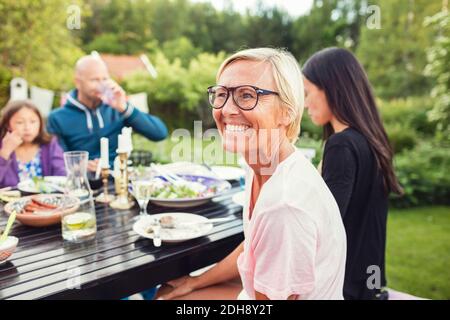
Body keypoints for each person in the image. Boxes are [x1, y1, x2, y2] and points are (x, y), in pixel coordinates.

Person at [156, 48, 347, 300]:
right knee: (170, 291)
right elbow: (254, 247)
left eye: (247, 95)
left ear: (287, 111)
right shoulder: (260, 164)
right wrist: (194, 282)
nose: (227, 109)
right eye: (222, 94)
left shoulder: (284, 203)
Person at [302, 47, 404, 300]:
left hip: (342, 289)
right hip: (369, 284)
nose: (304, 104)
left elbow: (321, 229)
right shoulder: (371, 140)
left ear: (331, 88)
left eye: (307, 93)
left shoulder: (342, 145)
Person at [47, 55, 168, 171]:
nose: (101, 85)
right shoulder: (57, 118)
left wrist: (124, 108)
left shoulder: (117, 109)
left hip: (117, 180)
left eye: (104, 79)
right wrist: (82, 166)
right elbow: (57, 162)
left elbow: (160, 133)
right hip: (81, 182)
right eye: (94, 80)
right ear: (78, 82)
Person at [0, 100, 65, 188]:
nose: (27, 127)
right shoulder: (3, 148)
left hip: (46, 199)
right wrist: (4, 153)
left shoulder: (50, 145)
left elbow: (61, 174)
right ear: (8, 125)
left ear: (40, 123)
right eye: (20, 122)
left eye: (33, 121)